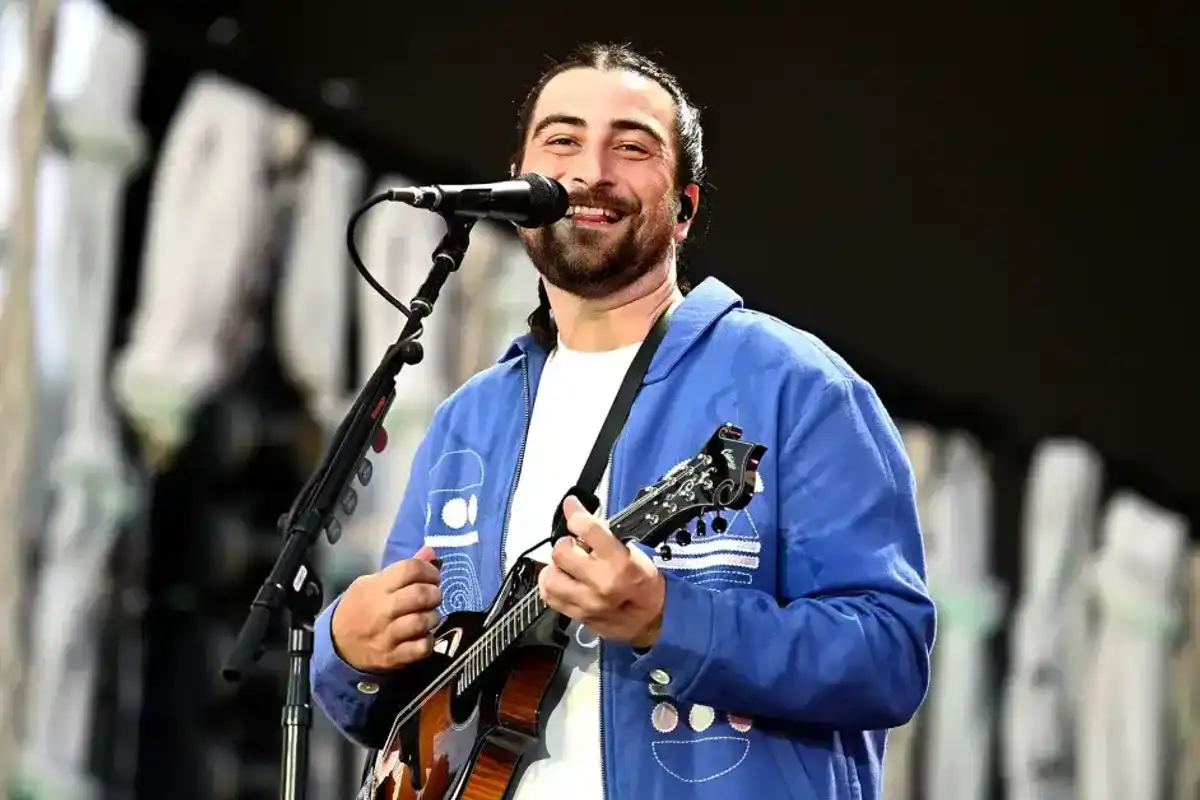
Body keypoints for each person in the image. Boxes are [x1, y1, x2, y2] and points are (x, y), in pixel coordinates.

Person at [311, 42, 936, 800]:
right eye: (563, 140)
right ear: (520, 180)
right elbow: (407, 706)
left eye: (631, 147)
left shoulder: (798, 387)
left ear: (685, 206)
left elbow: (890, 656)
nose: (591, 170)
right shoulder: (465, 422)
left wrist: (667, 619)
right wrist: (348, 649)